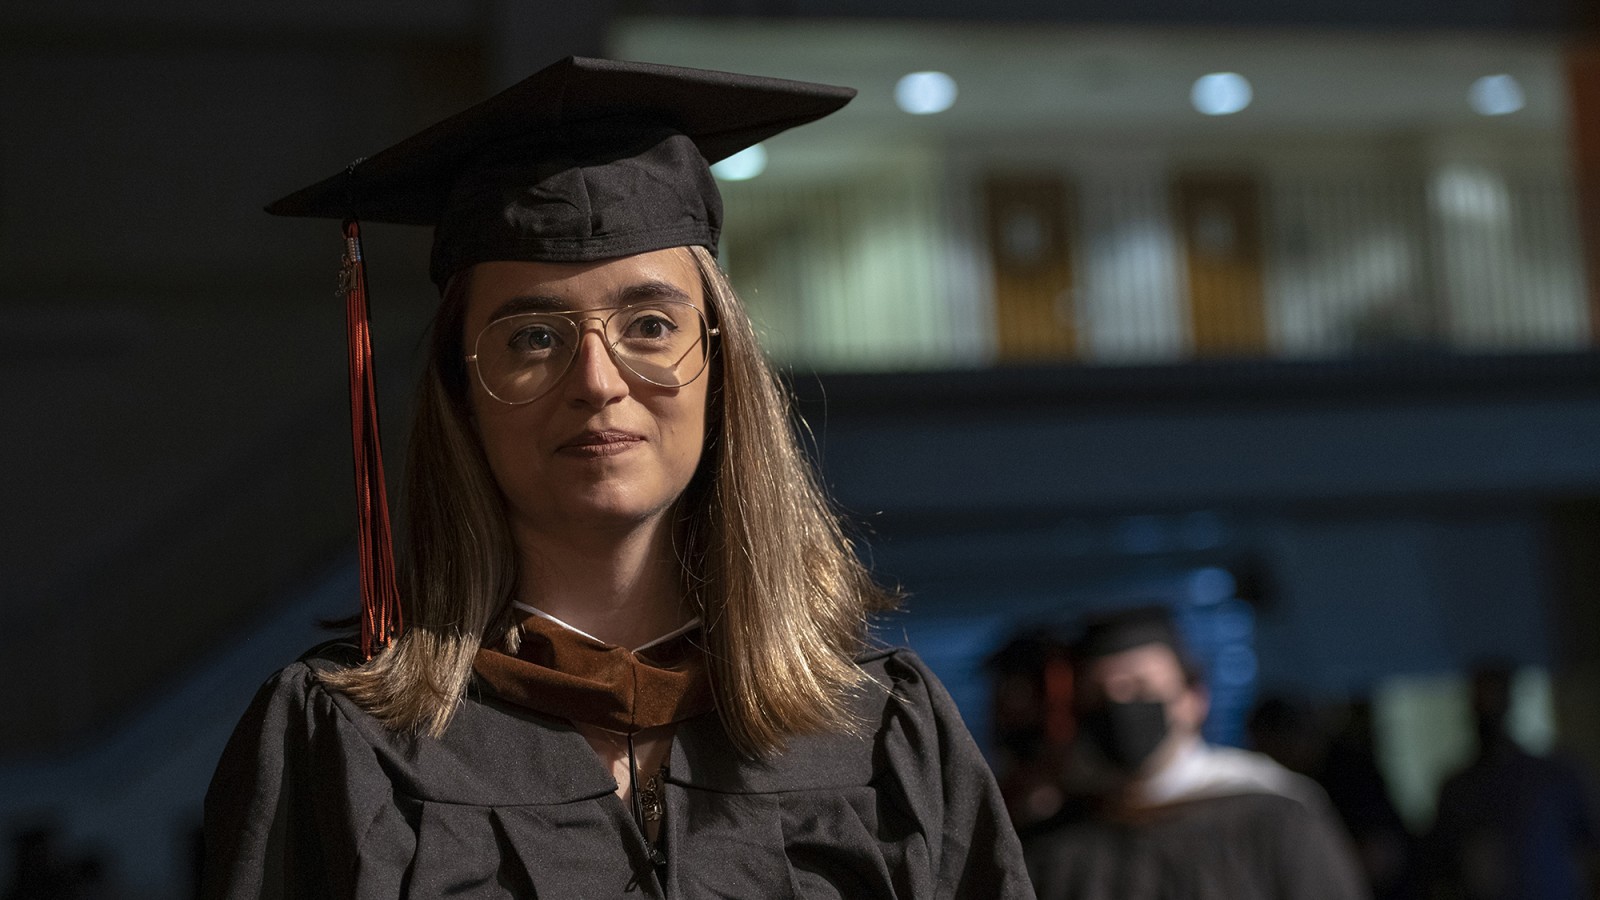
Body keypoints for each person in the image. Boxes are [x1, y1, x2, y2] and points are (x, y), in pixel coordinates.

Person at [201, 57, 1034, 899]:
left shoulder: (884, 729)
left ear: (721, 364)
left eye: (648, 324)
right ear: (461, 391)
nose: (597, 381)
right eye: (531, 336)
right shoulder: (343, 740)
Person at [1022, 606, 1367, 900]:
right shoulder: (1059, 844)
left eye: (1141, 687)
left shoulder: (1273, 818)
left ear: (1193, 699)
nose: (1119, 706)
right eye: (1100, 694)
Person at [1424, 663, 1598, 900]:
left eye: (1495, 696)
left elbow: (1588, 846)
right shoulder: (1458, 789)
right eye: (1481, 699)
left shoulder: (1555, 776)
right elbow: (1439, 866)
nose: (1488, 707)